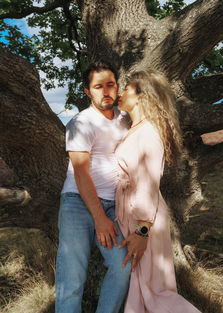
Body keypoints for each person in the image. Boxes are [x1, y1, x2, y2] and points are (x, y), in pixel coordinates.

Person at [115, 70, 201, 313]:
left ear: (141, 96)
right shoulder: (134, 128)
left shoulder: (149, 133)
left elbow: (147, 184)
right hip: (132, 216)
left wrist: (142, 232)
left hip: (145, 220)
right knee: (140, 290)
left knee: (156, 293)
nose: (120, 94)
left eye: (127, 89)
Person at [55, 60, 131, 313]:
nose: (106, 91)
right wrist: (99, 217)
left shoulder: (126, 119)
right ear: (88, 92)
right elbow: (80, 172)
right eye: (98, 86)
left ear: (118, 86)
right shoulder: (81, 123)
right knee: (71, 276)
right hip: (78, 202)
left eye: (111, 84)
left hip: (114, 205)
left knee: (122, 266)